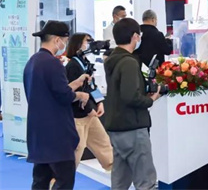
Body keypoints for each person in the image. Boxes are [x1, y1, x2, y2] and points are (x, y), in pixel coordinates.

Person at [24, 21, 90, 190]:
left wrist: (74, 84)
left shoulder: (32, 62)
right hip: (57, 135)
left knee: (40, 180)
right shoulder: (53, 64)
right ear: (57, 40)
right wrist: (80, 95)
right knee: (64, 180)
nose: (64, 46)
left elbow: (48, 93)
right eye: (65, 41)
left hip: (38, 133)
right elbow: (63, 96)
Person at [104, 18, 161, 190]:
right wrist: (151, 99)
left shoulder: (112, 60)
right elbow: (131, 96)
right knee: (145, 181)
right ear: (135, 36)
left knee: (120, 181)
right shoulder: (129, 62)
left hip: (116, 126)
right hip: (133, 126)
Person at [65, 33, 113, 170]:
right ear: (78, 44)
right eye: (87, 41)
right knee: (77, 149)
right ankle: (61, 178)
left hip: (90, 115)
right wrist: (89, 109)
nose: (90, 44)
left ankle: (115, 171)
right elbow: (75, 92)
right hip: (77, 116)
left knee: (104, 144)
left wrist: (99, 102)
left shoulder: (85, 62)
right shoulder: (72, 66)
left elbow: (91, 85)